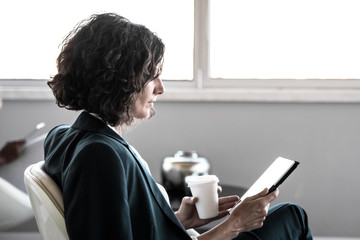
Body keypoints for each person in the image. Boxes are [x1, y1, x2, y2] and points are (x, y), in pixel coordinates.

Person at [44, 12, 312, 240]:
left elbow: (126, 226)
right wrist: (234, 225)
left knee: (287, 214)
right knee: (292, 216)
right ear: (119, 81)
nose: (161, 88)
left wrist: (178, 220)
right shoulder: (99, 156)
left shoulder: (67, 137)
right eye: (152, 77)